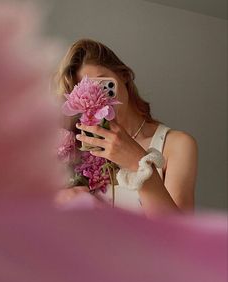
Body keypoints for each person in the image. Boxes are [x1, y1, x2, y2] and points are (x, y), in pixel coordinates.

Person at [55, 39, 198, 217]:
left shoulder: (176, 144)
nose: (97, 96)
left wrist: (138, 163)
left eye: (102, 84)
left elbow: (181, 235)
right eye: (85, 92)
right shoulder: (80, 147)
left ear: (123, 75)